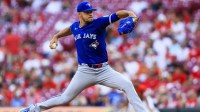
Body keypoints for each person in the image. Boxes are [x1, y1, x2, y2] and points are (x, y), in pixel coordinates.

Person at [20, 1, 147, 112]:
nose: (90, 14)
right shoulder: (76, 26)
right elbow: (69, 29)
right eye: (87, 12)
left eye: (91, 11)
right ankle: (33, 109)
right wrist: (56, 36)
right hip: (85, 71)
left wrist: (132, 15)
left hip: (104, 70)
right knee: (65, 98)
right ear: (79, 14)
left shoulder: (99, 22)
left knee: (128, 85)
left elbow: (119, 14)